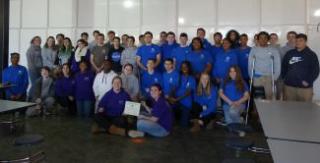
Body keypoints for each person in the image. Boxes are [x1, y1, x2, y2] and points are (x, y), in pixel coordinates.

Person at [281, 33, 319, 102]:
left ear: (305, 42)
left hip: (304, 89)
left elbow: (316, 70)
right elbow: (284, 67)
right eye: (296, 41)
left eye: (301, 40)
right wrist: (284, 78)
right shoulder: (289, 53)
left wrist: (308, 81)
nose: (298, 42)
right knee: (288, 109)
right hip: (289, 87)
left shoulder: (311, 55)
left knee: (305, 110)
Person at [248, 31, 281, 100]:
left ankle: (268, 110)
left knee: (269, 97)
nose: (263, 40)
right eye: (261, 38)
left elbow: (277, 64)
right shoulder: (254, 49)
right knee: (257, 97)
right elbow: (250, 64)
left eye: (265, 38)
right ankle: (257, 110)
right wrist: (251, 76)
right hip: (257, 77)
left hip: (269, 77)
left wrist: (275, 78)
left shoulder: (273, 50)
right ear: (258, 39)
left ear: (268, 39)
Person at [168, 61, 196, 127]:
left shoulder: (192, 78)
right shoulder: (179, 76)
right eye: (182, 67)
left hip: (186, 103)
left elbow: (188, 93)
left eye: (186, 67)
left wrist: (176, 99)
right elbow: (174, 88)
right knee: (168, 108)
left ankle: (189, 117)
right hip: (177, 101)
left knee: (184, 125)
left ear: (189, 68)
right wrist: (170, 97)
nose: (184, 68)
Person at [26, 36, 43, 100]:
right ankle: (29, 98)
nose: (38, 41)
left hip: (40, 69)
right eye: (36, 40)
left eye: (39, 40)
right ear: (33, 41)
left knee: (38, 84)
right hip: (33, 70)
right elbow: (30, 62)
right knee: (35, 84)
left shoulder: (40, 48)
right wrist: (34, 70)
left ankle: (35, 98)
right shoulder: (30, 49)